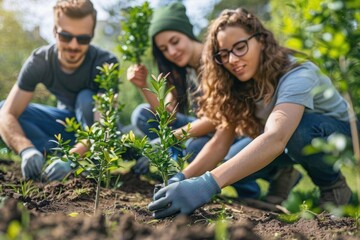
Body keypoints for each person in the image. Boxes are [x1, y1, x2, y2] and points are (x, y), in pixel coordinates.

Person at [148, 7, 356, 219]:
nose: (233, 60)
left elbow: (276, 137)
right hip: (289, 140)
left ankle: (333, 188)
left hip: (342, 136)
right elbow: (220, 143)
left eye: (240, 47)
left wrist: (207, 184)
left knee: (298, 130)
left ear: (261, 41)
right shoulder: (239, 83)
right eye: (224, 53)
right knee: (231, 163)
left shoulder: (297, 73)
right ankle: (283, 174)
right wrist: (180, 178)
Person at [128, 3, 302, 202]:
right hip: (223, 131)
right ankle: (173, 171)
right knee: (143, 115)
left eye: (175, 41)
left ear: (187, 33)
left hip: (243, 131)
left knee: (197, 149)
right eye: (164, 49)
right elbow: (167, 114)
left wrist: (169, 139)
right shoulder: (180, 71)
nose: (172, 51)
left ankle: (255, 186)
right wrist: (143, 86)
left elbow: (218, 119)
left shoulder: (221, 61)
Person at [0, 0, 119, 182]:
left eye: (83, 39)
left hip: (95, 132)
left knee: (86, 98)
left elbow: (104, 128)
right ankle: (45, 155)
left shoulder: (105, 63)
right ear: (55, 31)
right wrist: (25, 148)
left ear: (92, 35)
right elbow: (7, 114)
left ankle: (90, 162)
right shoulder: (40, 61)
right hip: (65, 127)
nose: (73, 45)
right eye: (65, 36)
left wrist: (69, 159)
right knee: (2, 109)